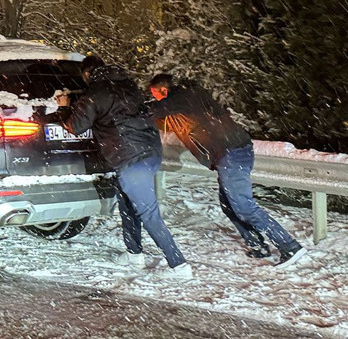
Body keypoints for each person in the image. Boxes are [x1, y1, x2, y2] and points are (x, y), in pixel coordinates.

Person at [148, 74, 306, 268]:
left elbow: (152, 112)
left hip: (231, 154)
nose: (155, 97)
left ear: (164, 90)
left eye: (155, 93)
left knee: (244, 207)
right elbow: (161, 119)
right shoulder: (190, 99)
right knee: (229, 205)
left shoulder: (179, 98)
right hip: (233, 151)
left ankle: (290, 246)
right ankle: (257, 245)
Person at [54, 56, 191, 278]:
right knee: (127, 204)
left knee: (148, 213)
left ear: (87, 74)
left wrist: (64, 108)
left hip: (131, 157)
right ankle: (134, 253)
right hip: (149, 150)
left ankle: (179, 265)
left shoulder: (95, 93)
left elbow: (75, 126)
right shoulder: (127, 85)